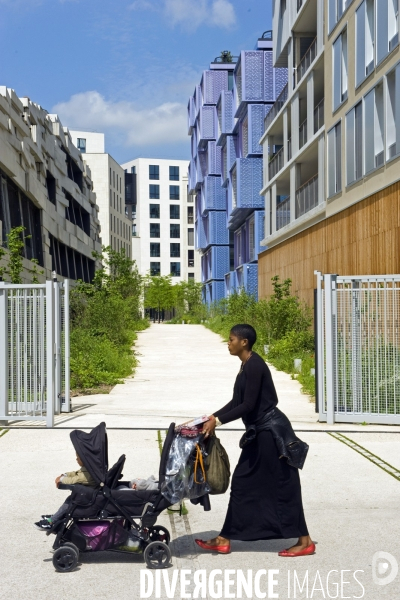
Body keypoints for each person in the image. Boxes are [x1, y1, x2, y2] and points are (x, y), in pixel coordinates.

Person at [195, 324, 315, 557]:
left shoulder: (255, 366)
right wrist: (213, 416)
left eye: (231, 340)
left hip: (271, 435)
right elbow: (236, 401)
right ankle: (224, 538)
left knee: (284, 484)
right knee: (243, 483)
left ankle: (305, 541)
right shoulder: (246, 365)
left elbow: (248, 406)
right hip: (260, 433)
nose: (228, 343)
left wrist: (217, 421)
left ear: (244, 342)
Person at [34, 452, 96, 531]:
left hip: (86, 498)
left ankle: (51, 521)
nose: (76, 459)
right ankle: (56, 516)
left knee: (69, 503)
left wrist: (60, 479)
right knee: (69, 500)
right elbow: (76, 473)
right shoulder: (89, 469)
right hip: (86, 495)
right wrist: (64, 475)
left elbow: (73, 480)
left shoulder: (88, 475)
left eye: (78, 458)